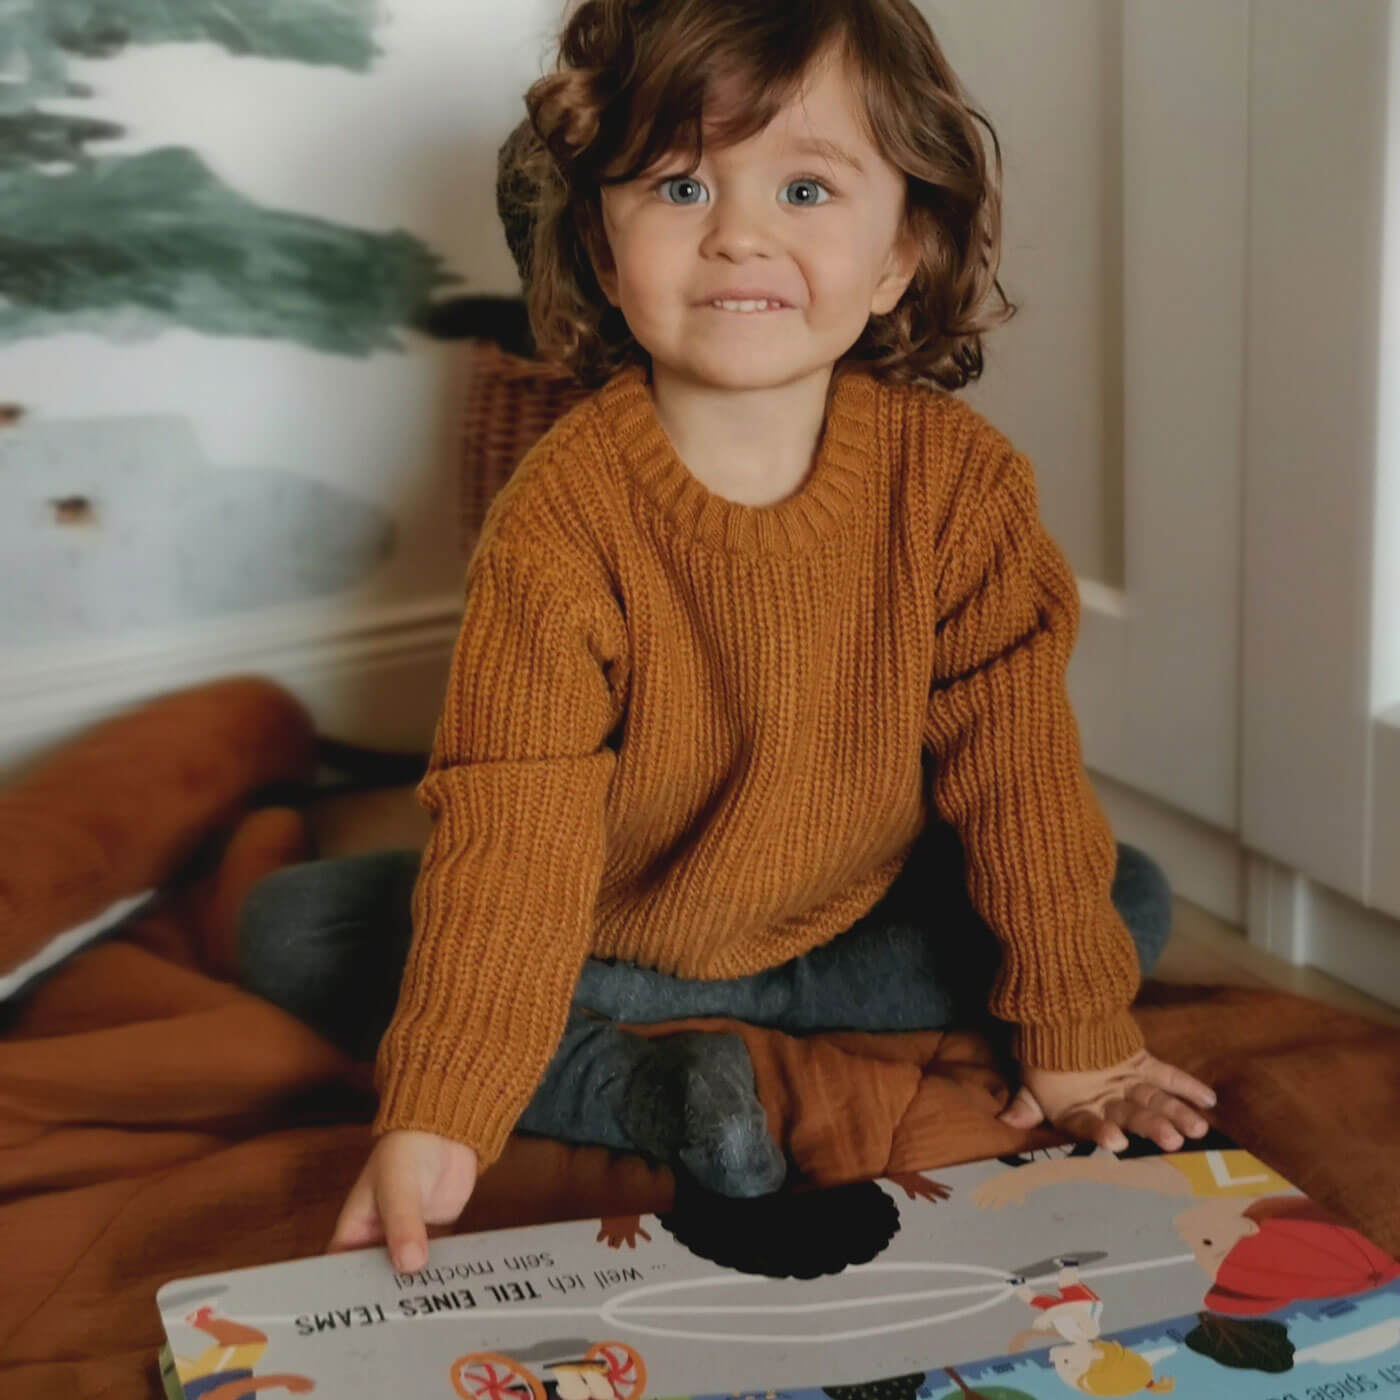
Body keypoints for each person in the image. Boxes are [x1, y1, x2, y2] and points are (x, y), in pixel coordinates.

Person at [236, 0, 1216, 1278]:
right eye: (681, 181)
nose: (740, 231)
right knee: (293, 928)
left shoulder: (959, 487)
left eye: (806, 186)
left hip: (858, 919)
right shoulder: (558, 518)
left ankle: (716, 1028)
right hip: (611, 937)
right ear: (599, 235)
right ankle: (648, 1090)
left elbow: (1014, 766)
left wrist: (1079, 1032)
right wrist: (439, 1111)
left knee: (1120, 895)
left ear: (898, 253)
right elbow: (513, 822)